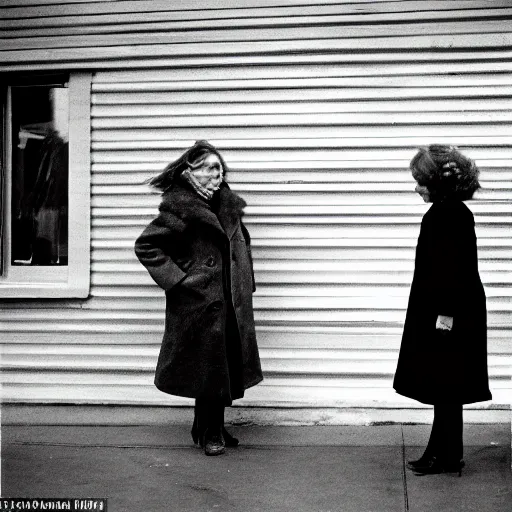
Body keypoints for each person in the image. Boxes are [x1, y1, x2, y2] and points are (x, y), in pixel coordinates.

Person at [135, 140, 263, 456]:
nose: (217, 174)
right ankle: (210, 432)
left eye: (220, 168)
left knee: (225, 366)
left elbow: (242, 246)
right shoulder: (181, 208)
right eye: (210, 168)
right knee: (210, 368)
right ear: (191, 173)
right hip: (201, 303)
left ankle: (207, 426)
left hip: (230, 301)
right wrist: (181, 281)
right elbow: (147, 246)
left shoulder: (226, 205)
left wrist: (247, 283)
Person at [393, 144, 492, 476]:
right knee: (445, 385)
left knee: (447, 385)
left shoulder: (447, 215)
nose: (416, 187)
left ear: (435, 182)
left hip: (448, 315)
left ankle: (446, 456)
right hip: (447, 313)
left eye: (420, 181)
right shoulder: (449, 212)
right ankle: (443, 452)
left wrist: (445, 317)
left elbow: (455, 271)